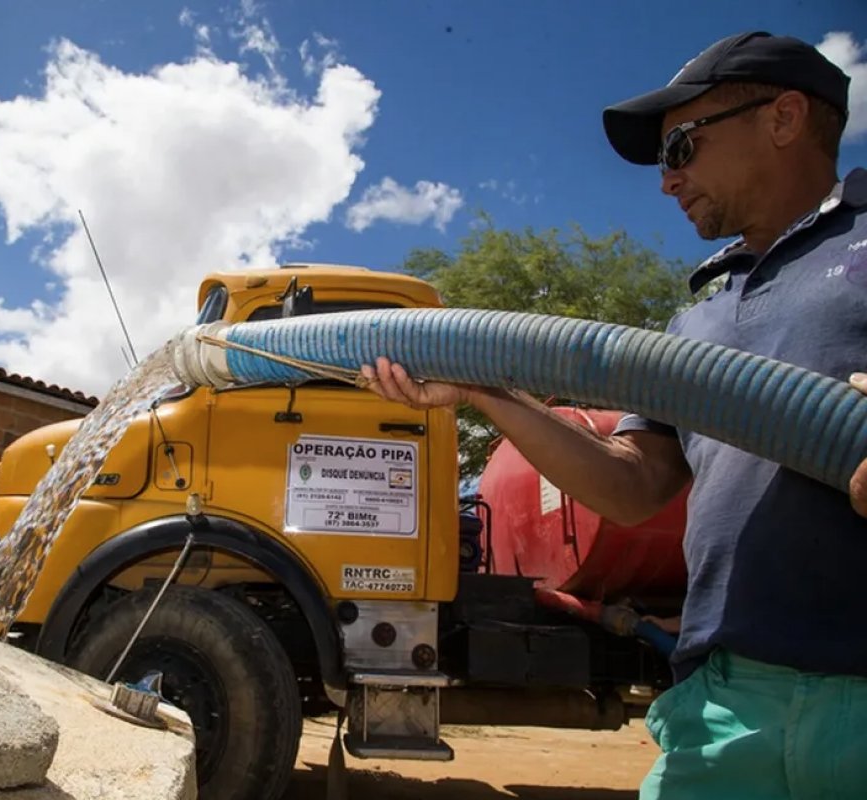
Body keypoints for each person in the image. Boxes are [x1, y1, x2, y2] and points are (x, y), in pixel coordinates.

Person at [362, 31, 867, 799]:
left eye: (681, 149)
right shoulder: (695, 325)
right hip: (724, 706)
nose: (669, 183)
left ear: (785, 117)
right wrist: (484, 389)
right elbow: (635, 488)